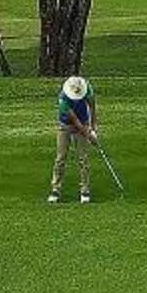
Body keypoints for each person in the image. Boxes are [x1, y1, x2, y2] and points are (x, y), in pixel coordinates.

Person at [49, 74, 100, 203]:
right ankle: (55, 189)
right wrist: (89, 136)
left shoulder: (87, 89)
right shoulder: (63, 100)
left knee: (83, 158)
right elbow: (75, 122)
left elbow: (92, 107)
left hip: (83, 121)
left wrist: (93, 128)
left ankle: (85, 190)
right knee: (61, 158)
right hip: (65, 125)